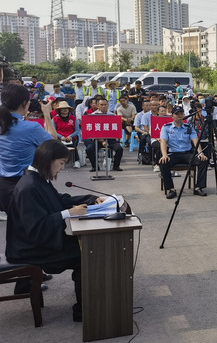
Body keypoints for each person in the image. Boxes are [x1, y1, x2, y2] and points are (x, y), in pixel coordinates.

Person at [5, 140, 103, 321]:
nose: (62, 168)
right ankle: (84, 311)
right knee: (87, 253)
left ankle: (93, 299)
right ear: (48, 160)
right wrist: (67, 213)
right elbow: (37, 228)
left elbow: (58, 200)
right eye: (61, 163)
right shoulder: (29, 186)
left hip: (37, 242)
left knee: (89, 244)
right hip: (31, 248)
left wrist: (90, 198)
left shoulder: (36, 179)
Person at [0, 83, 57, 214]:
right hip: (26, 186)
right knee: (33, 229)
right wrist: (47, 115)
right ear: (25, 103)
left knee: (15, 228)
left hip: (3, 186)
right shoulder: (30, 128)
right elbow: (53, 144)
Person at [158, 105, 209, 199]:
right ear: (172, 116)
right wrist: (164, 155)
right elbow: (163, 142)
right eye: (177, 114)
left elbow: (195, 141)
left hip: (187, 153)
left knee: (203, 160)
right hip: (173, 153)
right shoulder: (166, 127)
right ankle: (171, 189)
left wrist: (200, 153)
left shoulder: (188, 127)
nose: (180, 116)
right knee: (163, 162)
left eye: (181, 113)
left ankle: (198, 187)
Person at [84, 96, 124, 172]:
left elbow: (116, 130)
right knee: (89, 149)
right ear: (97, 106)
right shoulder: (92, 116)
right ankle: (95, 167)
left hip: (110, 138)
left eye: (105, 104)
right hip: (97, 139)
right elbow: (90, 131)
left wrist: (107, 139)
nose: (103, 106)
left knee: (119, 149)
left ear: (108, 105)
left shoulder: (113, 116)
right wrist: (101, 140)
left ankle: (116, 166)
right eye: (101, 105)